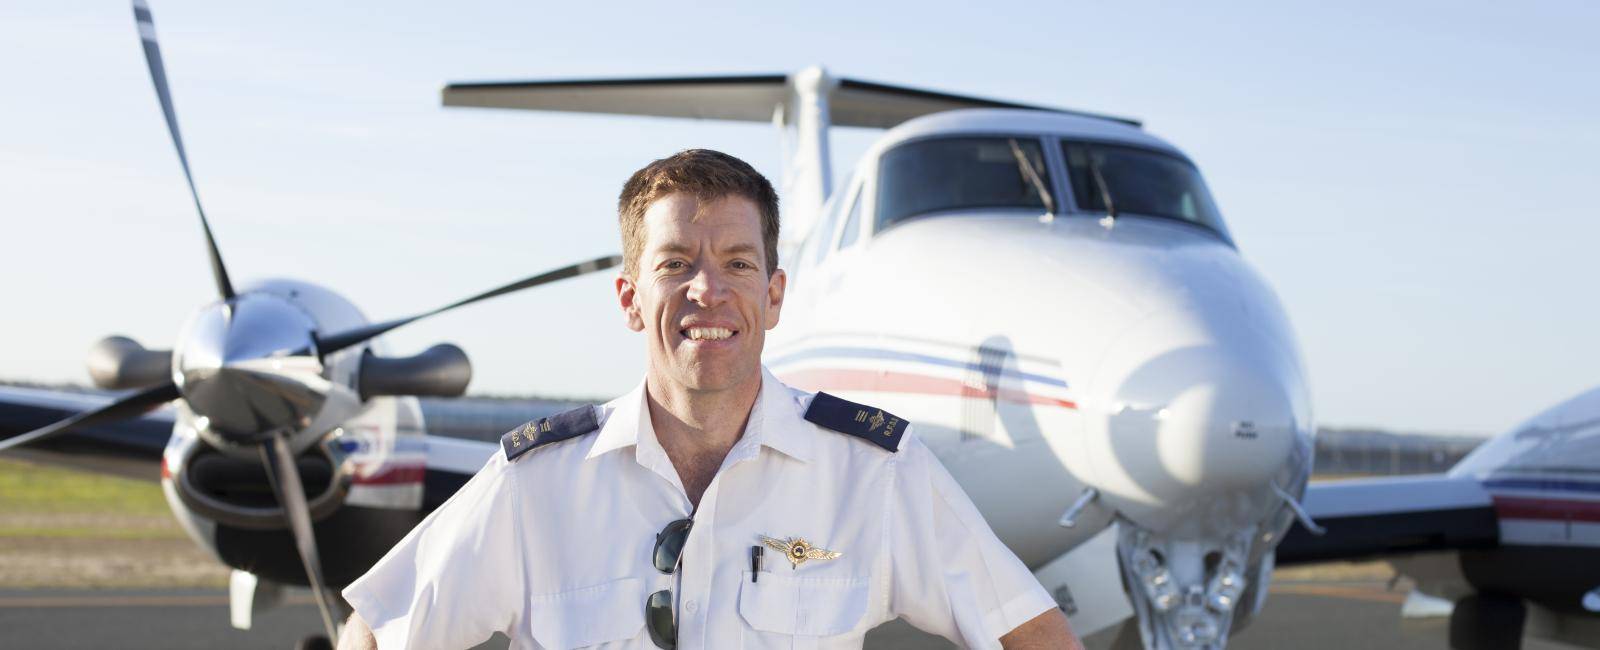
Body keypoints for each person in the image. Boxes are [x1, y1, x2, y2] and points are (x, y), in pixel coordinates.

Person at [337, 149, 1081, 649]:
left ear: (775, 293)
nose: (708, 290)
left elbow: (1033, 634)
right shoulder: (536, 484)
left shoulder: (874, 474)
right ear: (630, 298)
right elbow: (376, 631)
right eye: (675, 264)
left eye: (736, 262)